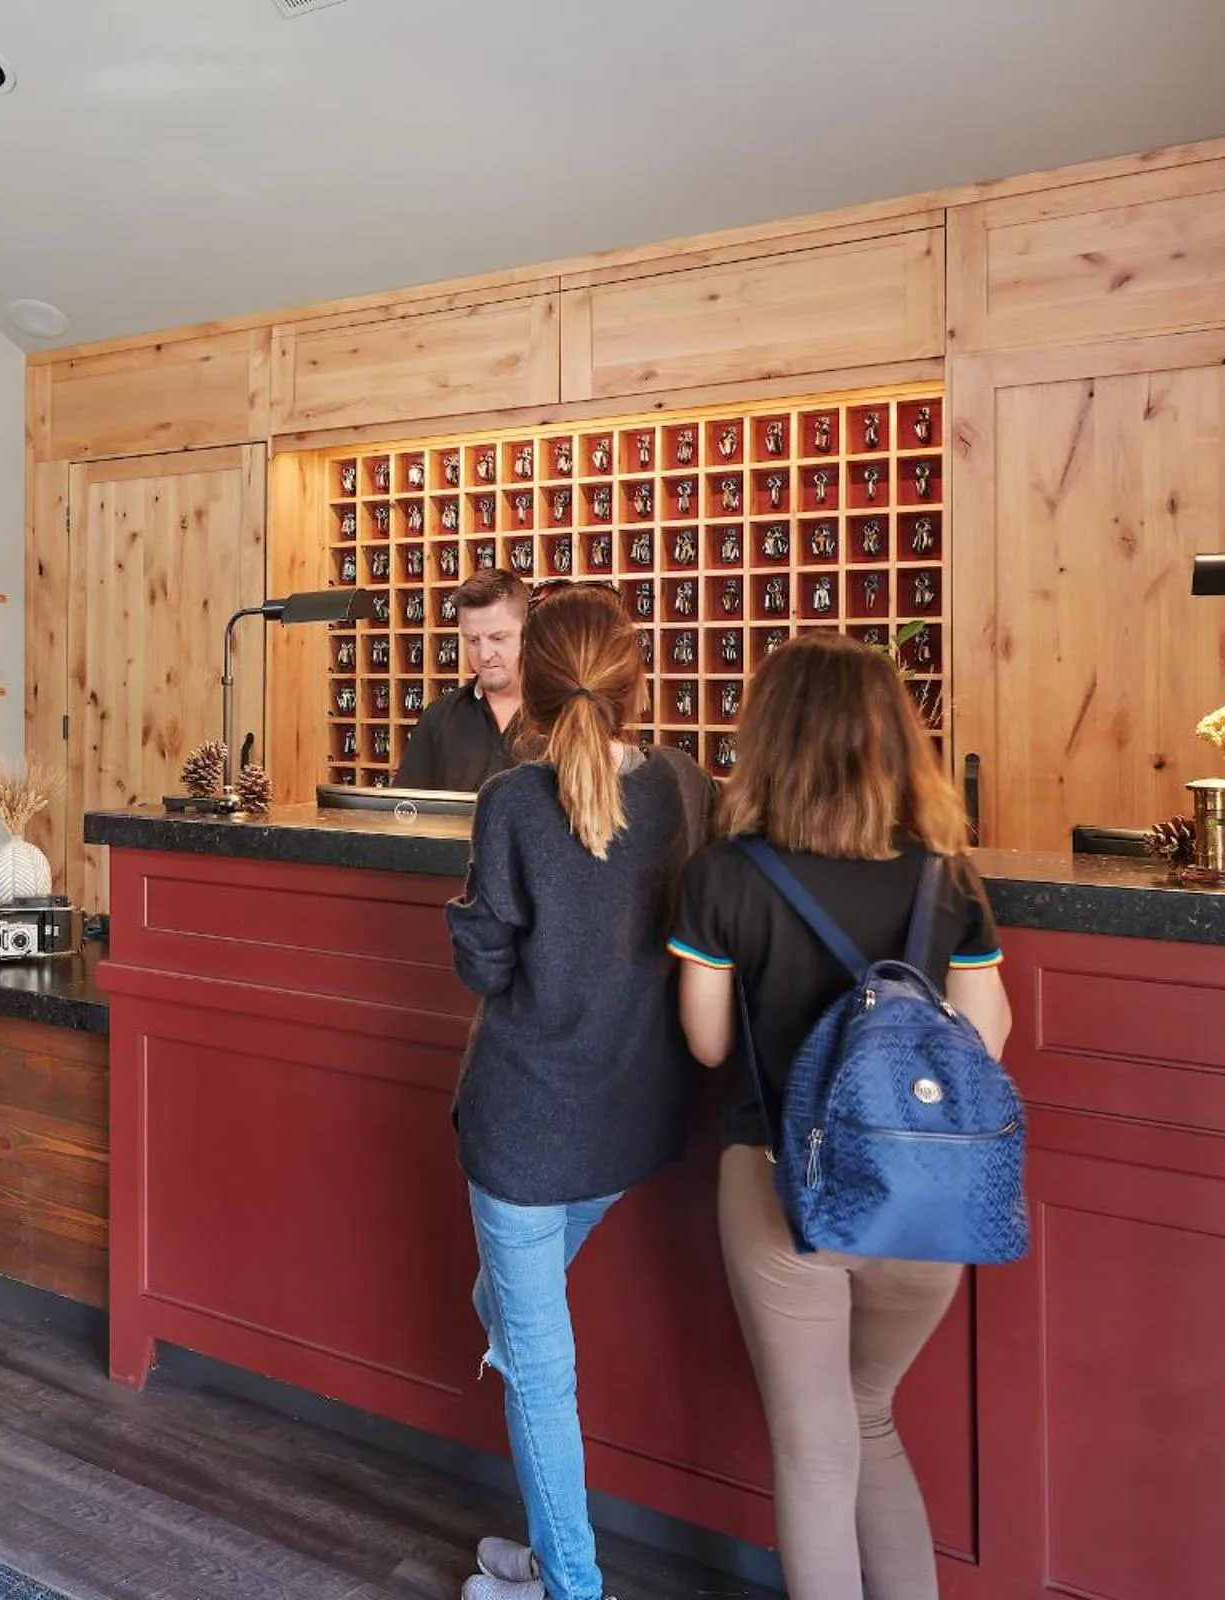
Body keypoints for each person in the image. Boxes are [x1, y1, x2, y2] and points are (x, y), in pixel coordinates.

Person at [666, 634, 1014, 1600]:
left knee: (817, 1453)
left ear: (767, 736)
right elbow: (985, 1039)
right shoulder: (947, 873)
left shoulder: (725, 875)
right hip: (926, 1201)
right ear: (895, 738)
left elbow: (704, 1043)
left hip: (787, 1188)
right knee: (871, 1419)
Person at [445, 584, 716, 1600]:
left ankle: (570, 1584)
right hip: (637, 1116)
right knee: (518, 1322)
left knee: (538, 1367)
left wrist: (463, 916)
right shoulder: (684, 787)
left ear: (537, 682)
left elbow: (485, 966)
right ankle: (551, 1545)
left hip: (525, 1128)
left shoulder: (512, 801)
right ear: (632, 680)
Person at [394, 567, 528, 791]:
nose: (485, 655)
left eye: (498, 638)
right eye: (473, 640)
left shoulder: (563, 715)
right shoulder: (438, 719)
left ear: (526, 634)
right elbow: (406, 811)